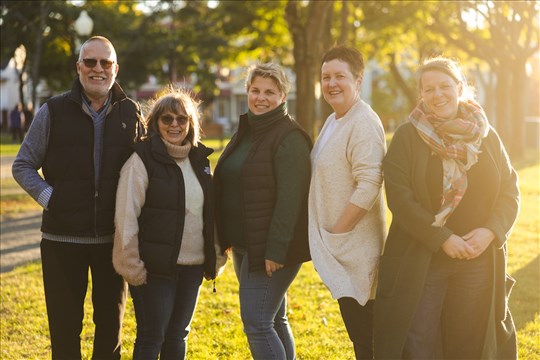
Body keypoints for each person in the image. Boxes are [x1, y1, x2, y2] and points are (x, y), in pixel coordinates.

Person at [374, 56, 520, 359]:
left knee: (471, 340)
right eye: (429, 89)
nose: (437, 95)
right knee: (420, 340)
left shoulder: (486, 135)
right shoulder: (407, 136)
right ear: (421, 95)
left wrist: (491, 232)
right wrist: (442, 239)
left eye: (444, 86)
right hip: (423, 258)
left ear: (460, 87)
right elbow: (399, 198)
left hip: (478, 257)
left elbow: (509, 190)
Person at [12, 36, 142, 359]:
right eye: (90, 62)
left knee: (110, 333)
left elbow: (147, 169)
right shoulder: (52, 111)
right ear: (79, 67)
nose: (98, 69)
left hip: (113, 244)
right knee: (65, 331)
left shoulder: (131, 112)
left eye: (105, 63)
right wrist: (50, 199)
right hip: (60, 242)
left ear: (115, 69)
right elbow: (22, 165)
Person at [113, 87, 227, 360]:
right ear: (156, 124)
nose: (175, 125)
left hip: (193, 268)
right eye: (167, 119)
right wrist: (131, 266)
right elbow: (126, 215)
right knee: (152, 336)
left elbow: (209, 213)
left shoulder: (200, 160)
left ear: (191, 123)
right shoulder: (141, 160)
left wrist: (216, 255)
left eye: (181, 119)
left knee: (178, 335)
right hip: (154, 270)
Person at [214, 62, 312, 360]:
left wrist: (276, 250)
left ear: (283, 97)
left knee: (257, 322)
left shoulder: (290, 137)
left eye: (270, 92)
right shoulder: (247, 131)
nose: (261, 97)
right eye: (255, 90)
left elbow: (290, 200)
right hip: (245, 245)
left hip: (271, 250)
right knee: (273, 319)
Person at [308, 45, 387, 360]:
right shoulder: (335, 119)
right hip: (344, 249)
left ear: (358, 79)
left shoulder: (363, 122)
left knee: (367, 340)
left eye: (339, 76)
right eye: (326, 77)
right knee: (362, 339)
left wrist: (337, 232)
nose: (331, 84)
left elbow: (369, 184)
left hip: (358, 252)